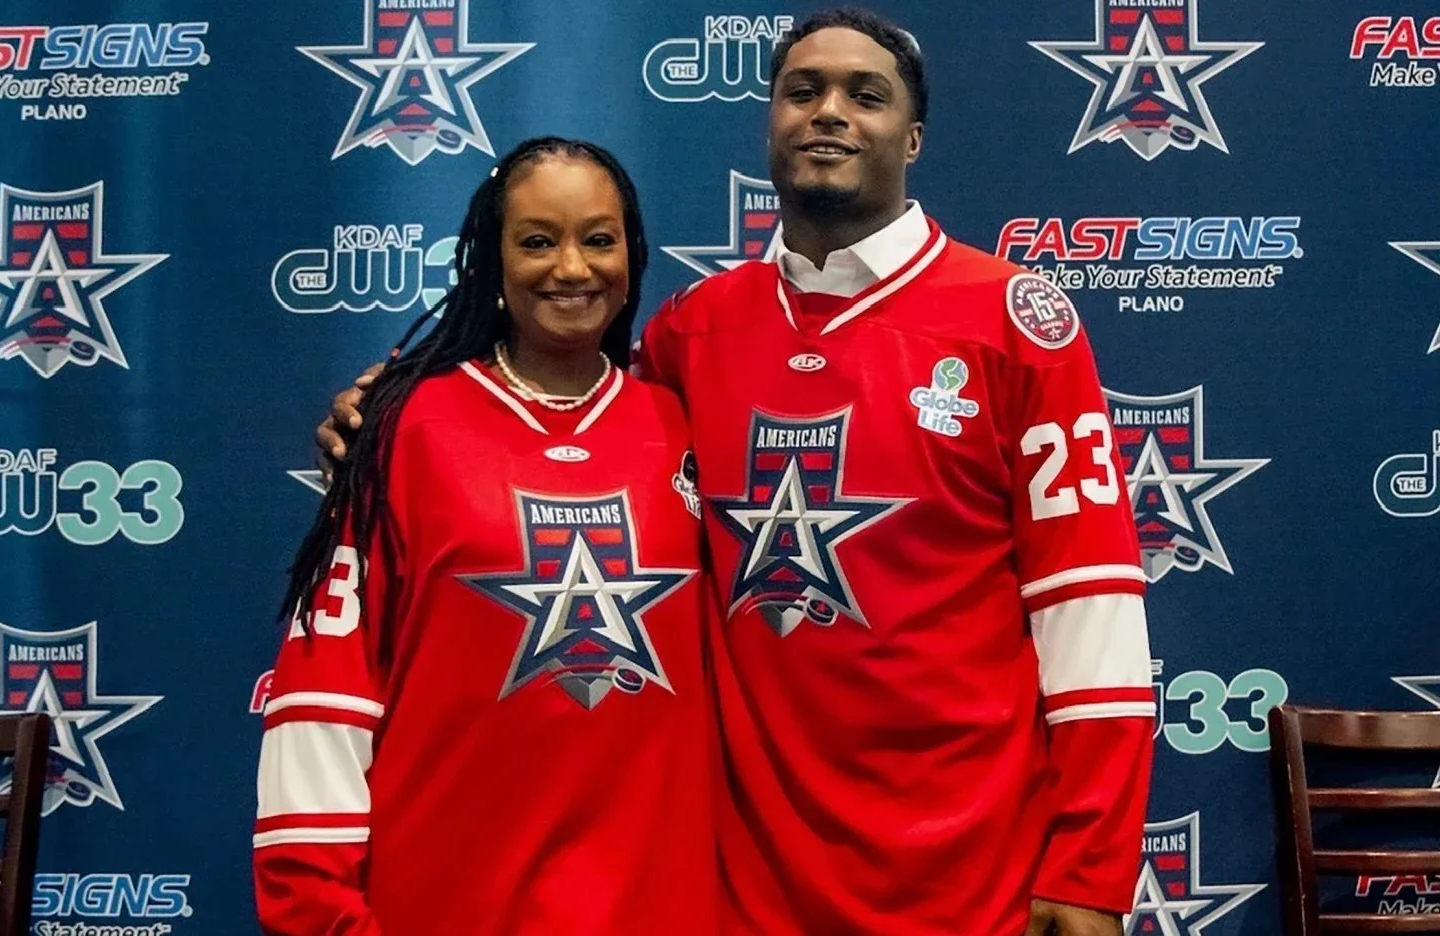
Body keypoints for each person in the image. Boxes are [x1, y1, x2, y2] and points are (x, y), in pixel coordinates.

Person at [320, 11, 1154, 935]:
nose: (828, 112)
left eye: (865, 95)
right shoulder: (692, 332)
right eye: (802, 91)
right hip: (745, 892)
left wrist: (1089, 868)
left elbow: (1092, 613)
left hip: (972, 882)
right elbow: (550, 419)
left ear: (913, 138)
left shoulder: (1012, 323)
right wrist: (388, 410)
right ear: (769, 125)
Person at [257, 137, 719, 936]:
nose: (571, 268)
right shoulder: (403, 429)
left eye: (598, 239)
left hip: (662, 907)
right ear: (490, 264)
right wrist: (320, 912)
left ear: (634, 255)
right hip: (446, 905)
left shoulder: (685, 425)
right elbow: (326, 690)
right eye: (537, 241)